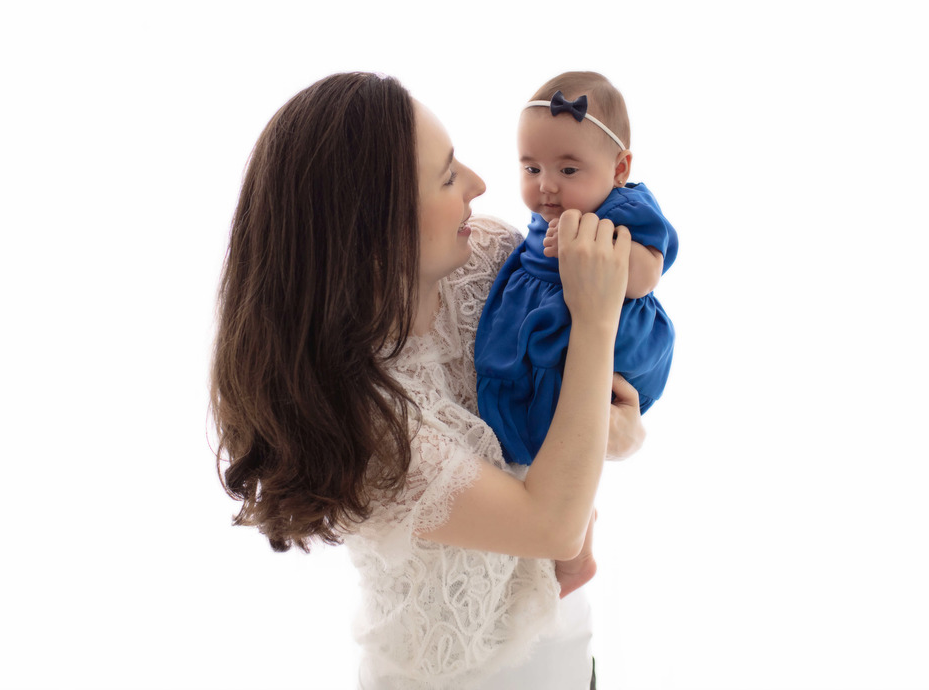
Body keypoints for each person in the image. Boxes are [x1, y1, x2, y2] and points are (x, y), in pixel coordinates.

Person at [210, 72, 645, 689]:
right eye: (446, 176)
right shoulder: (360, 415)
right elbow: (550, 523)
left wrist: (618, 424)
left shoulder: (492, 258)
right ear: (373, 235)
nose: (479, 183)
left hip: (563, 643)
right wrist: (596, 325)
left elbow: (608, 406)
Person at [475, 71, 678, 466]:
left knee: (568, 435)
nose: (546, 185)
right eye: (532, 169)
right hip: (542, 317)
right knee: (518, 400)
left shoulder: (624, 209)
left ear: (620, 170)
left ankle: (569, 503)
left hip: (598, 334)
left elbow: (645, 277)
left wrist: (580, 245)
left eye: (567, 171)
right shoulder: (549, 210)